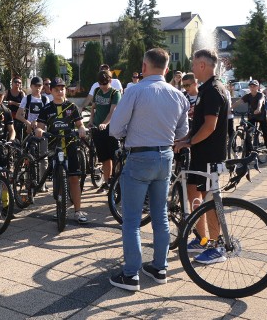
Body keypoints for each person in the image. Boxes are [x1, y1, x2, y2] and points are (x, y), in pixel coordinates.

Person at [109, 48, 190, 291]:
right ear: (166, 69)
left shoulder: (135, 91)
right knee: (160, 215)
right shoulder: (178, 95)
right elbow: (182, 133)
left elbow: (115, 128)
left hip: (139, 156)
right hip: (165, 156)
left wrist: (129, 132)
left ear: (144, 67)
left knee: (132, 220)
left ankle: (131, 274)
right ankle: (159, 267)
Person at [174, 49, 229, 265]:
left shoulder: (214, 90)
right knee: (196, 194)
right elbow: (198, 125)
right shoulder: (206, 89)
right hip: (202, 153)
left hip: (210, 155)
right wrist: (185, 138)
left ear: (203, 66)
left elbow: (209, 126)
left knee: (210, 198)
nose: (192, 67)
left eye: (194, 64)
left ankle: (217, 246)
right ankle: (204, 239)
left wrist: (189, 142)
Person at [35, 77, 89, 223]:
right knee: (58, 178)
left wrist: (82, 128)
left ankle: (78, 211)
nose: (60, 91)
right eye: (56, 89)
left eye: (62, 89)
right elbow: (40, 126)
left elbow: (79, 124)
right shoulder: (46, 109)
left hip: (70, 145)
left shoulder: (71, 107)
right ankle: (60, 206)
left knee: (74, 179)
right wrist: (39, 130)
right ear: (51, 91)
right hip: (55, 146)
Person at [88, 70, 121, 193]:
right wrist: (91, 120)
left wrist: (105, 123)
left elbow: (113, 111)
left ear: (110, 81)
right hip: (98, 129)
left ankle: (116, 182)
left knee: (115, 157)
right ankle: (107, 182)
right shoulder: (97, 91)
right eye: (101, 83)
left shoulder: (115, 93)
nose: (103, 85)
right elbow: (93, 108)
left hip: (111, 130)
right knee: (105, 158)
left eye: (105, 82)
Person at [15, 76, 49, 191]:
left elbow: (48, 116)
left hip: (43, 131)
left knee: (44, 157)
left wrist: (41, 124)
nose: (38, 88)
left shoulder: (45, 100)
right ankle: (29, 182)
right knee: (30, 157)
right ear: (31, 86)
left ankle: (42, 184)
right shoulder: (27, 99)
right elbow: (19, 115)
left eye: (40, 86)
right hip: (30, 132)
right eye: (35, 86)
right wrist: (28, 123)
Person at [233, 80, 267, 165]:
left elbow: (260, 101)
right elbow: (239, 101)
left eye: (254, 86)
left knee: (266, 134)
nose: (252, 88)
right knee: (247, 133)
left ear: (257, 87)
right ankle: (248, 153)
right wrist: (229, 108)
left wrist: (258, 108)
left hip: (261, 117)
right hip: (252, 116)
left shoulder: (260, 94)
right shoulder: (248, 96)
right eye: (251, 86)